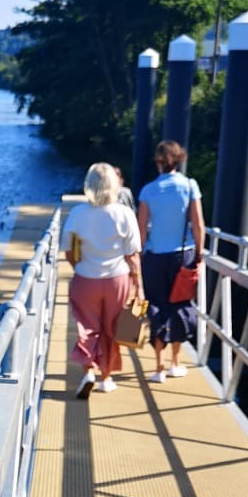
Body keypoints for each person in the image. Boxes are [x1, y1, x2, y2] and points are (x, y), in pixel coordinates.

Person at [64, 162, 142, 400]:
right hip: (117, 278)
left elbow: (68, 250)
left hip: (86, 277)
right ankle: (106, 378)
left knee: (87, 327)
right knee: (112, 328)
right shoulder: (124, 213)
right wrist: (138, 285)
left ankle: (89, 370)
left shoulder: (78, 213)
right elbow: (133, 254)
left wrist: (79, 266)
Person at [137, 140, 205, 382]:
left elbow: (141, 228)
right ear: (179, 160)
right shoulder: (189, 186)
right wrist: (200, 251)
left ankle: (158, 367)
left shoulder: (148, 191)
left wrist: (139, 255)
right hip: (182, 255)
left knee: (156, 306)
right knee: (179, 305)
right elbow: (197, 224)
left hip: (154, 257)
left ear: (158, 162)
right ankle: (176, 363)